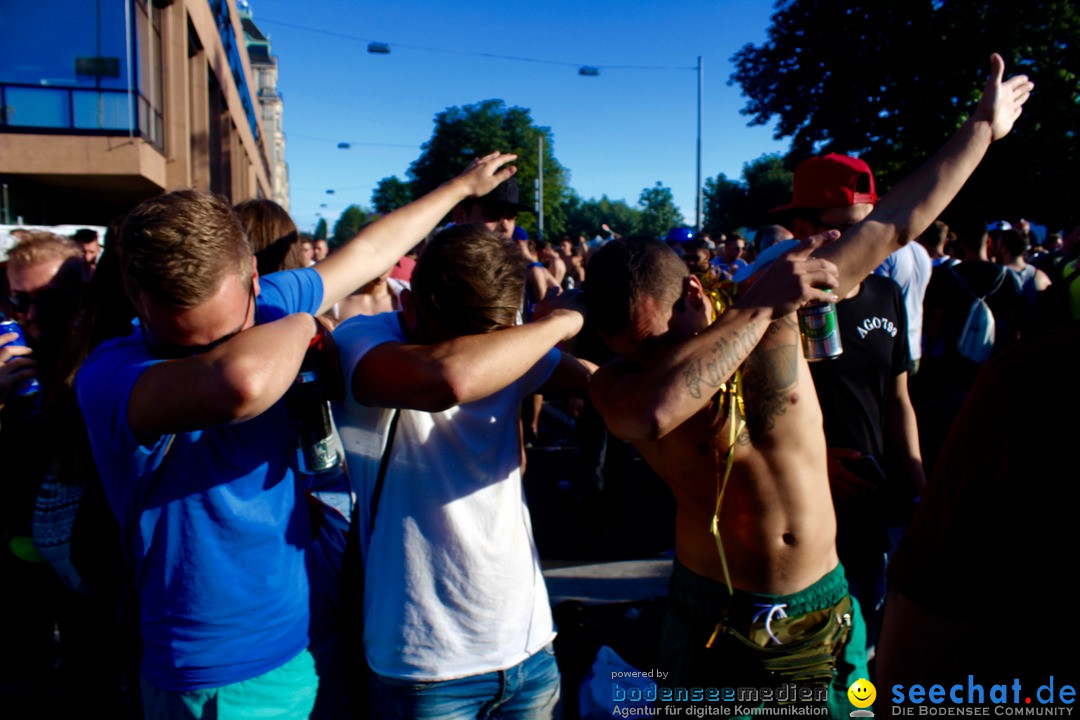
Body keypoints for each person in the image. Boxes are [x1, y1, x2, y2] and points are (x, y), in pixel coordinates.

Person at [585, 54, 1031, 717]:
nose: (663, 356)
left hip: (818, 602)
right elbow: (655, 411)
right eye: (640, 350)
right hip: (716, 613)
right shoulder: (636, 378)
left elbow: (893, 223)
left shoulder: (780, 305)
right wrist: (757, 309)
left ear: (692, 292)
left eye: (670, 333)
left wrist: (981, 129)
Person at [74, 152, 520, 718]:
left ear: (254, 280)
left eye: (227, 333)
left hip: (305, 636)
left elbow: (369, 253)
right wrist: (306, 325)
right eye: (184, 347)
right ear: (140, 301)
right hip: (214, 674)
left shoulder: (269, 305)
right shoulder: (110, 376)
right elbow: (242, 381)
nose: (209, 352)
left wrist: (460, 188)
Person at [333, 224, 593, 719]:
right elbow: (452, 378)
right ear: (406, 310)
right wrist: (558, 324)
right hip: (424, 666)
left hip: (528, 645)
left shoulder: (510, 348)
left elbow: (600, 387)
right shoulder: (362, 339)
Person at [781, 154, 924, 649]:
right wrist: (814, 461)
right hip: (799, 513)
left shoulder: (886, 292)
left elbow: (897, 398)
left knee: (867, 639)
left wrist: (919, 486)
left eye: (869, 228)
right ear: (803, 228)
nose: (865, 245)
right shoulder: (774, 304)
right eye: (845, 230)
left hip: (871, 502)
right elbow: (741, 417)